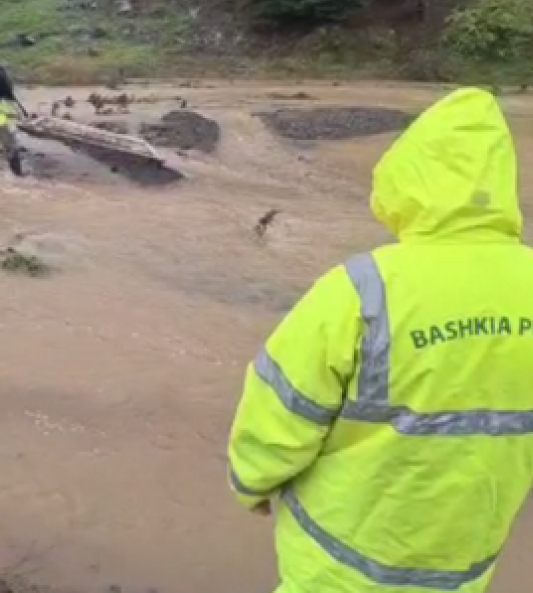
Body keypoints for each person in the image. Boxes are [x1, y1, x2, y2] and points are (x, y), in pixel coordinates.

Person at [227, 87, 533, 593]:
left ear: (408, 178)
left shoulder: (361, 289)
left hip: (337, 566)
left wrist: (252, 482)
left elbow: (282, 403)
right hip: (463, 568)